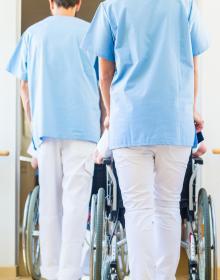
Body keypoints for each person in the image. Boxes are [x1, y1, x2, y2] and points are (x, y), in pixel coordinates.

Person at [81, 0, 209, 278]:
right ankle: (164, 276)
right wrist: (191, 108)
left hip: (130, 123)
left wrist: (110, 114)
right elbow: (194, 68)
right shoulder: (184, 5)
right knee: (167, 205)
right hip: (174, 122)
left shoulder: (112, 7)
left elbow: (105, 74)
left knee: (138, 209)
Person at [6, 0, 100, 279]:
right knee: (75, 204)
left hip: (46, 129)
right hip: (83, 130)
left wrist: (34, 123)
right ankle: (69, 274)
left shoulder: (33, 34)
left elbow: (24, 86)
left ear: (50, 3)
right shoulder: (90, 33)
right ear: (79, 4)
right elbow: (103, 79)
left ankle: (50, 271)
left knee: (49, 204)